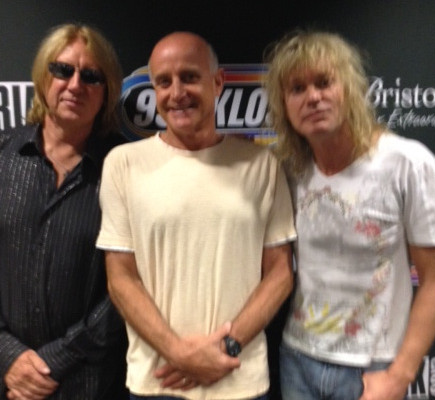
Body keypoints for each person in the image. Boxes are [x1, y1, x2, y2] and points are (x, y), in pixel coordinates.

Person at [96, 31, 297, 400]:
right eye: (163, 82)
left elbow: (280, 273)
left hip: (238, 381)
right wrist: (180, 353)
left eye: (189, 76)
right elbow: (120, 278)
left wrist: (226, 348)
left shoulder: (261, 165)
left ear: (217, 82)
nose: (177, 93)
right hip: (156, 382)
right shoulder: (123, 165)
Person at [263, 29, 435, 400]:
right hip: (298, 357)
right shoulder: (289, 169)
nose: (313, 97)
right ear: (284, 106)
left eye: (324, 82)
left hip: (372, 366)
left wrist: (400, 374)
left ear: (349, 88)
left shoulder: (406, 162)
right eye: (297, 89)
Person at [0, 23, 128, 400]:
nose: (75, 85)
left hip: (91, 382)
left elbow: (133, 281)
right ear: (43, 76)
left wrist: (58, 359)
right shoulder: (2, 156)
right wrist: (9, 355)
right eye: (63, 70)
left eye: (91, 76)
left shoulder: (125, 167)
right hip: (10, 381)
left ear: (106, 92)